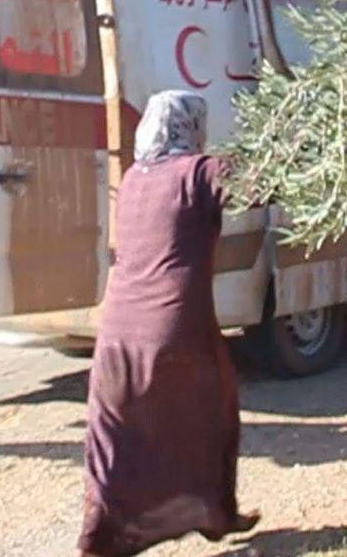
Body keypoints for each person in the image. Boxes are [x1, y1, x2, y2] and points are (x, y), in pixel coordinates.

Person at [77, 91, 259, 557]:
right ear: (191, 129)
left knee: (113, 439)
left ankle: (97, 540)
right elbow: (261, 183)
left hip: (116, 336)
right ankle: (216, 512)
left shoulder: (134, 179)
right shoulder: (200, 172)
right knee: (211, 417)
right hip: (175, 331)